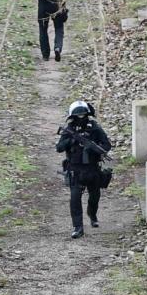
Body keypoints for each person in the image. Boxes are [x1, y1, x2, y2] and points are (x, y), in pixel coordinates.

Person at [56, 100, 112, 238]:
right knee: (75, 199)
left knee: (95, 197)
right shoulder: (69, 129)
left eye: (83, 114)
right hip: (75, 170)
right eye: (77, 115)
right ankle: (78, 227)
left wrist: (94, 149)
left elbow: (107, 145)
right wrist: (72, 141)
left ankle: (92, 215)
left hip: (92, 169)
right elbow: (59, 148)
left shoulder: (94, 127)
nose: (81, 117)